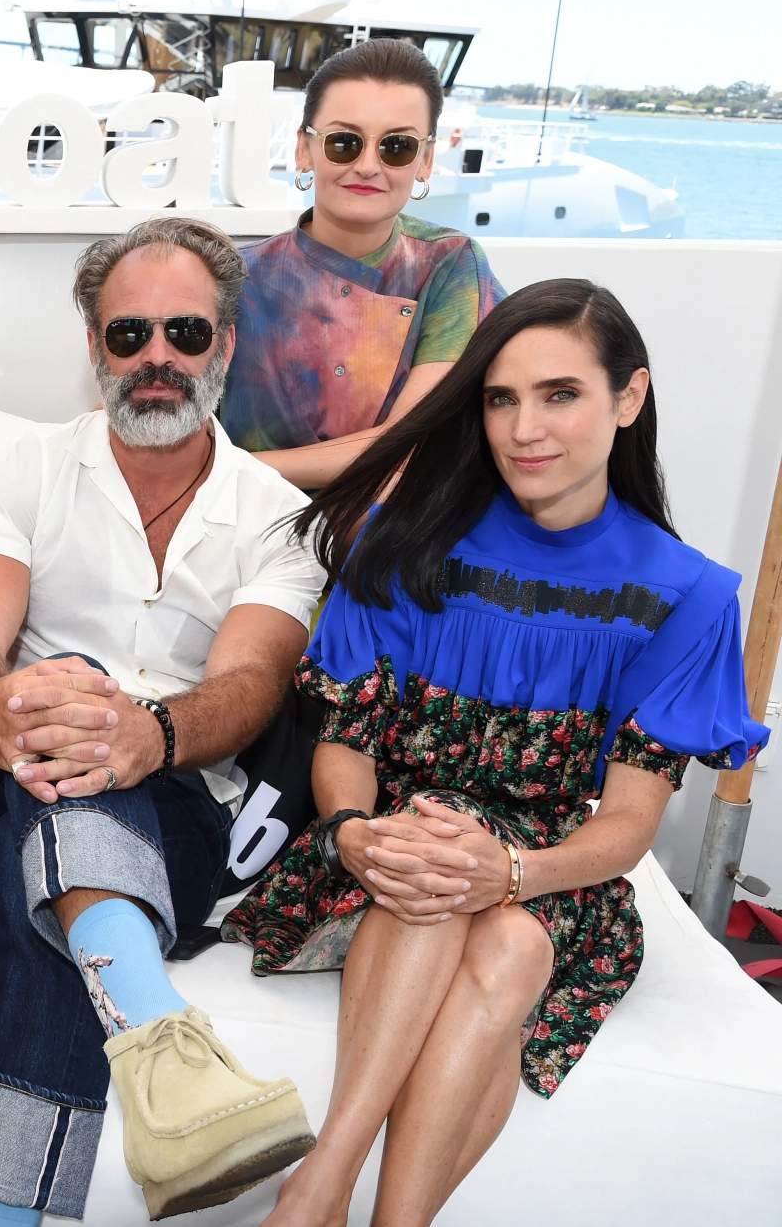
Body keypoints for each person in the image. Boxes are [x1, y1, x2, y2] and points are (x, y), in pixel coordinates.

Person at [224, 279, 769, 1227]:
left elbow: (629, 827)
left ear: (628, 400)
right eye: (501, 398)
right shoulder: (403, 543)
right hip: (388, 857)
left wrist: (512, 870)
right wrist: (352, 831)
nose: (526, 428)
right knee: (445, 853)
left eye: (560, 394)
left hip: (554, 875)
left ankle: (320, 1189)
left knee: (504, 921)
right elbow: (346, 744)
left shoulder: (685, 596)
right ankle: (345, 1193)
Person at [0, 218, 328, 1224]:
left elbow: (250, 682)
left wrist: (146, 730)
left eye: (186, 334)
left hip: (184, 800)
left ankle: (3, 1214)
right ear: (96, 349)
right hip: (4, 763)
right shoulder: (22, 467)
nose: (158, 358)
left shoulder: (278, 513)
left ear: (225, 346)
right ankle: (169, 1055)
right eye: (129, 334)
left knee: (64, 820)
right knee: (58, 741)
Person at [225, 38, 505, 490]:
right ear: (304, 150)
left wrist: (232, 469)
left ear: (426, 160)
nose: (368, 166)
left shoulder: (450, 266)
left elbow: (409, 442)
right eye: (344, 142)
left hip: (388, 537)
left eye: (396, 146)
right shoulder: (232, 278)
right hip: (238, 533)